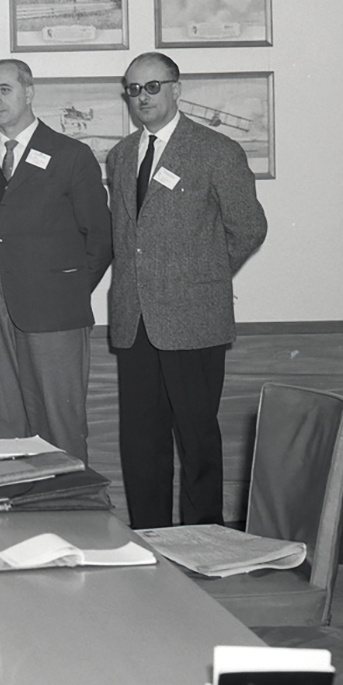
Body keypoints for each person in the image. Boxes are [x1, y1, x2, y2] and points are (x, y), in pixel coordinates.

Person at [107, 51, 268, 528]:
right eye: (133, 90)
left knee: (197, 441)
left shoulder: (216, 150)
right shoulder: (119, 156)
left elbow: (249, 227)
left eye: (152, 87)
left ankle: (204, 542)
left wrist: (204, 277)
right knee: (141, 442)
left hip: (194, 320)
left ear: (177, 89)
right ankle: (149, 538)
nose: (142, 98)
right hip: (135, 322)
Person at [0, 59, 112, 458]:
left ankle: (70, 515)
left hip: (55, 312)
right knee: (9, 426)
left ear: (29, 93)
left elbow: (100, 235)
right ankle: (18, 512)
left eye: (4, 89)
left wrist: (68, 289)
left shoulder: (70, 155)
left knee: (60, 425)